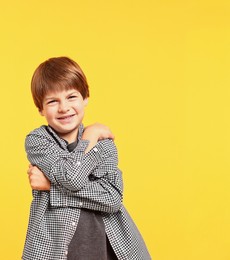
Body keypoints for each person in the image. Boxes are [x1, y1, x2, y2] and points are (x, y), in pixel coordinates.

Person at [22, 57, 151, 260]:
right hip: (57, 249)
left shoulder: (104, 143)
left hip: (106, 247)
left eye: (71, 97)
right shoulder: (38, 141)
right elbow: (71, 178)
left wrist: (51, 187)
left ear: (85, 98)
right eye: (53, 101)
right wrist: (89, 138)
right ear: (40, 109)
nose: (64, 108)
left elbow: (112, 199)